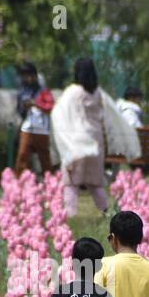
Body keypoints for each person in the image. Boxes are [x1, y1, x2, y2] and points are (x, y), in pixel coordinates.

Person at [51, 57, 110, 217]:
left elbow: (58, 113)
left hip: (77, 140)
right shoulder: (98, 93)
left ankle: (70, 214)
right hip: (95, 141)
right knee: (95, 182)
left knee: (71, 182)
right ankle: (107, 212)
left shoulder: (73, 92)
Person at [14, 62, 53, 175]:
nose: (27, 78)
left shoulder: (43, 91)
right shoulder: (22, 92)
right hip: (27, 127)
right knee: (22, 155)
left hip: (41, 129)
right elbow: (19, 110)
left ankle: (49, 182)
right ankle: (20, 182)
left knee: (44, 157)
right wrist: (24, 107)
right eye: (25, 76)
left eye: (29, 75)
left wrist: (35, 104)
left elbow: (50, 106)